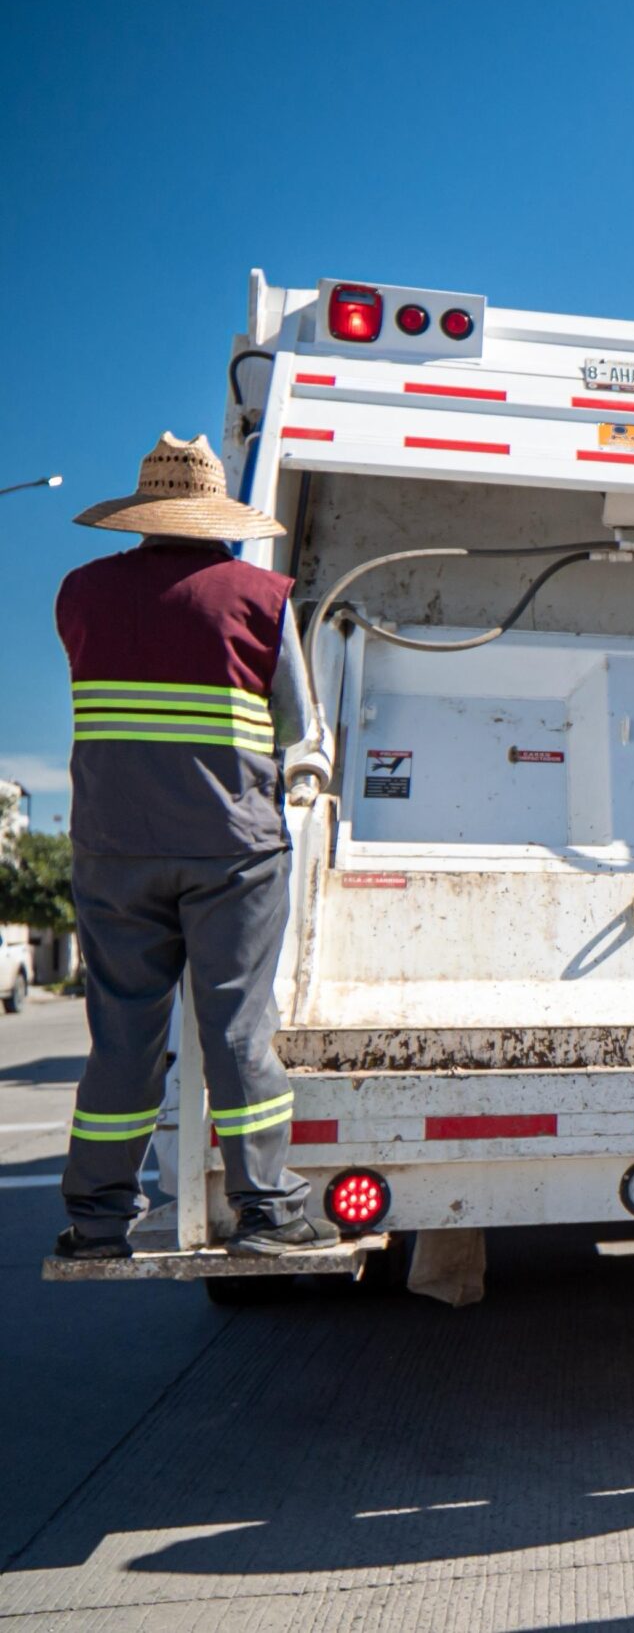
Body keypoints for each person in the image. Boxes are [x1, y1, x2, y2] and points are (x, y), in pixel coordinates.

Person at [52, 433, 338, 1261]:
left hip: (113, 849)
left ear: (142, 515)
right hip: (232, 854)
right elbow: (296, 727)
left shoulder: (81, 592)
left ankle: (99, 1224)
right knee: (239, 1030)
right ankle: (266, 1210)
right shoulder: (261, 598)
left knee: (123, 1036)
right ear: (217, 514)